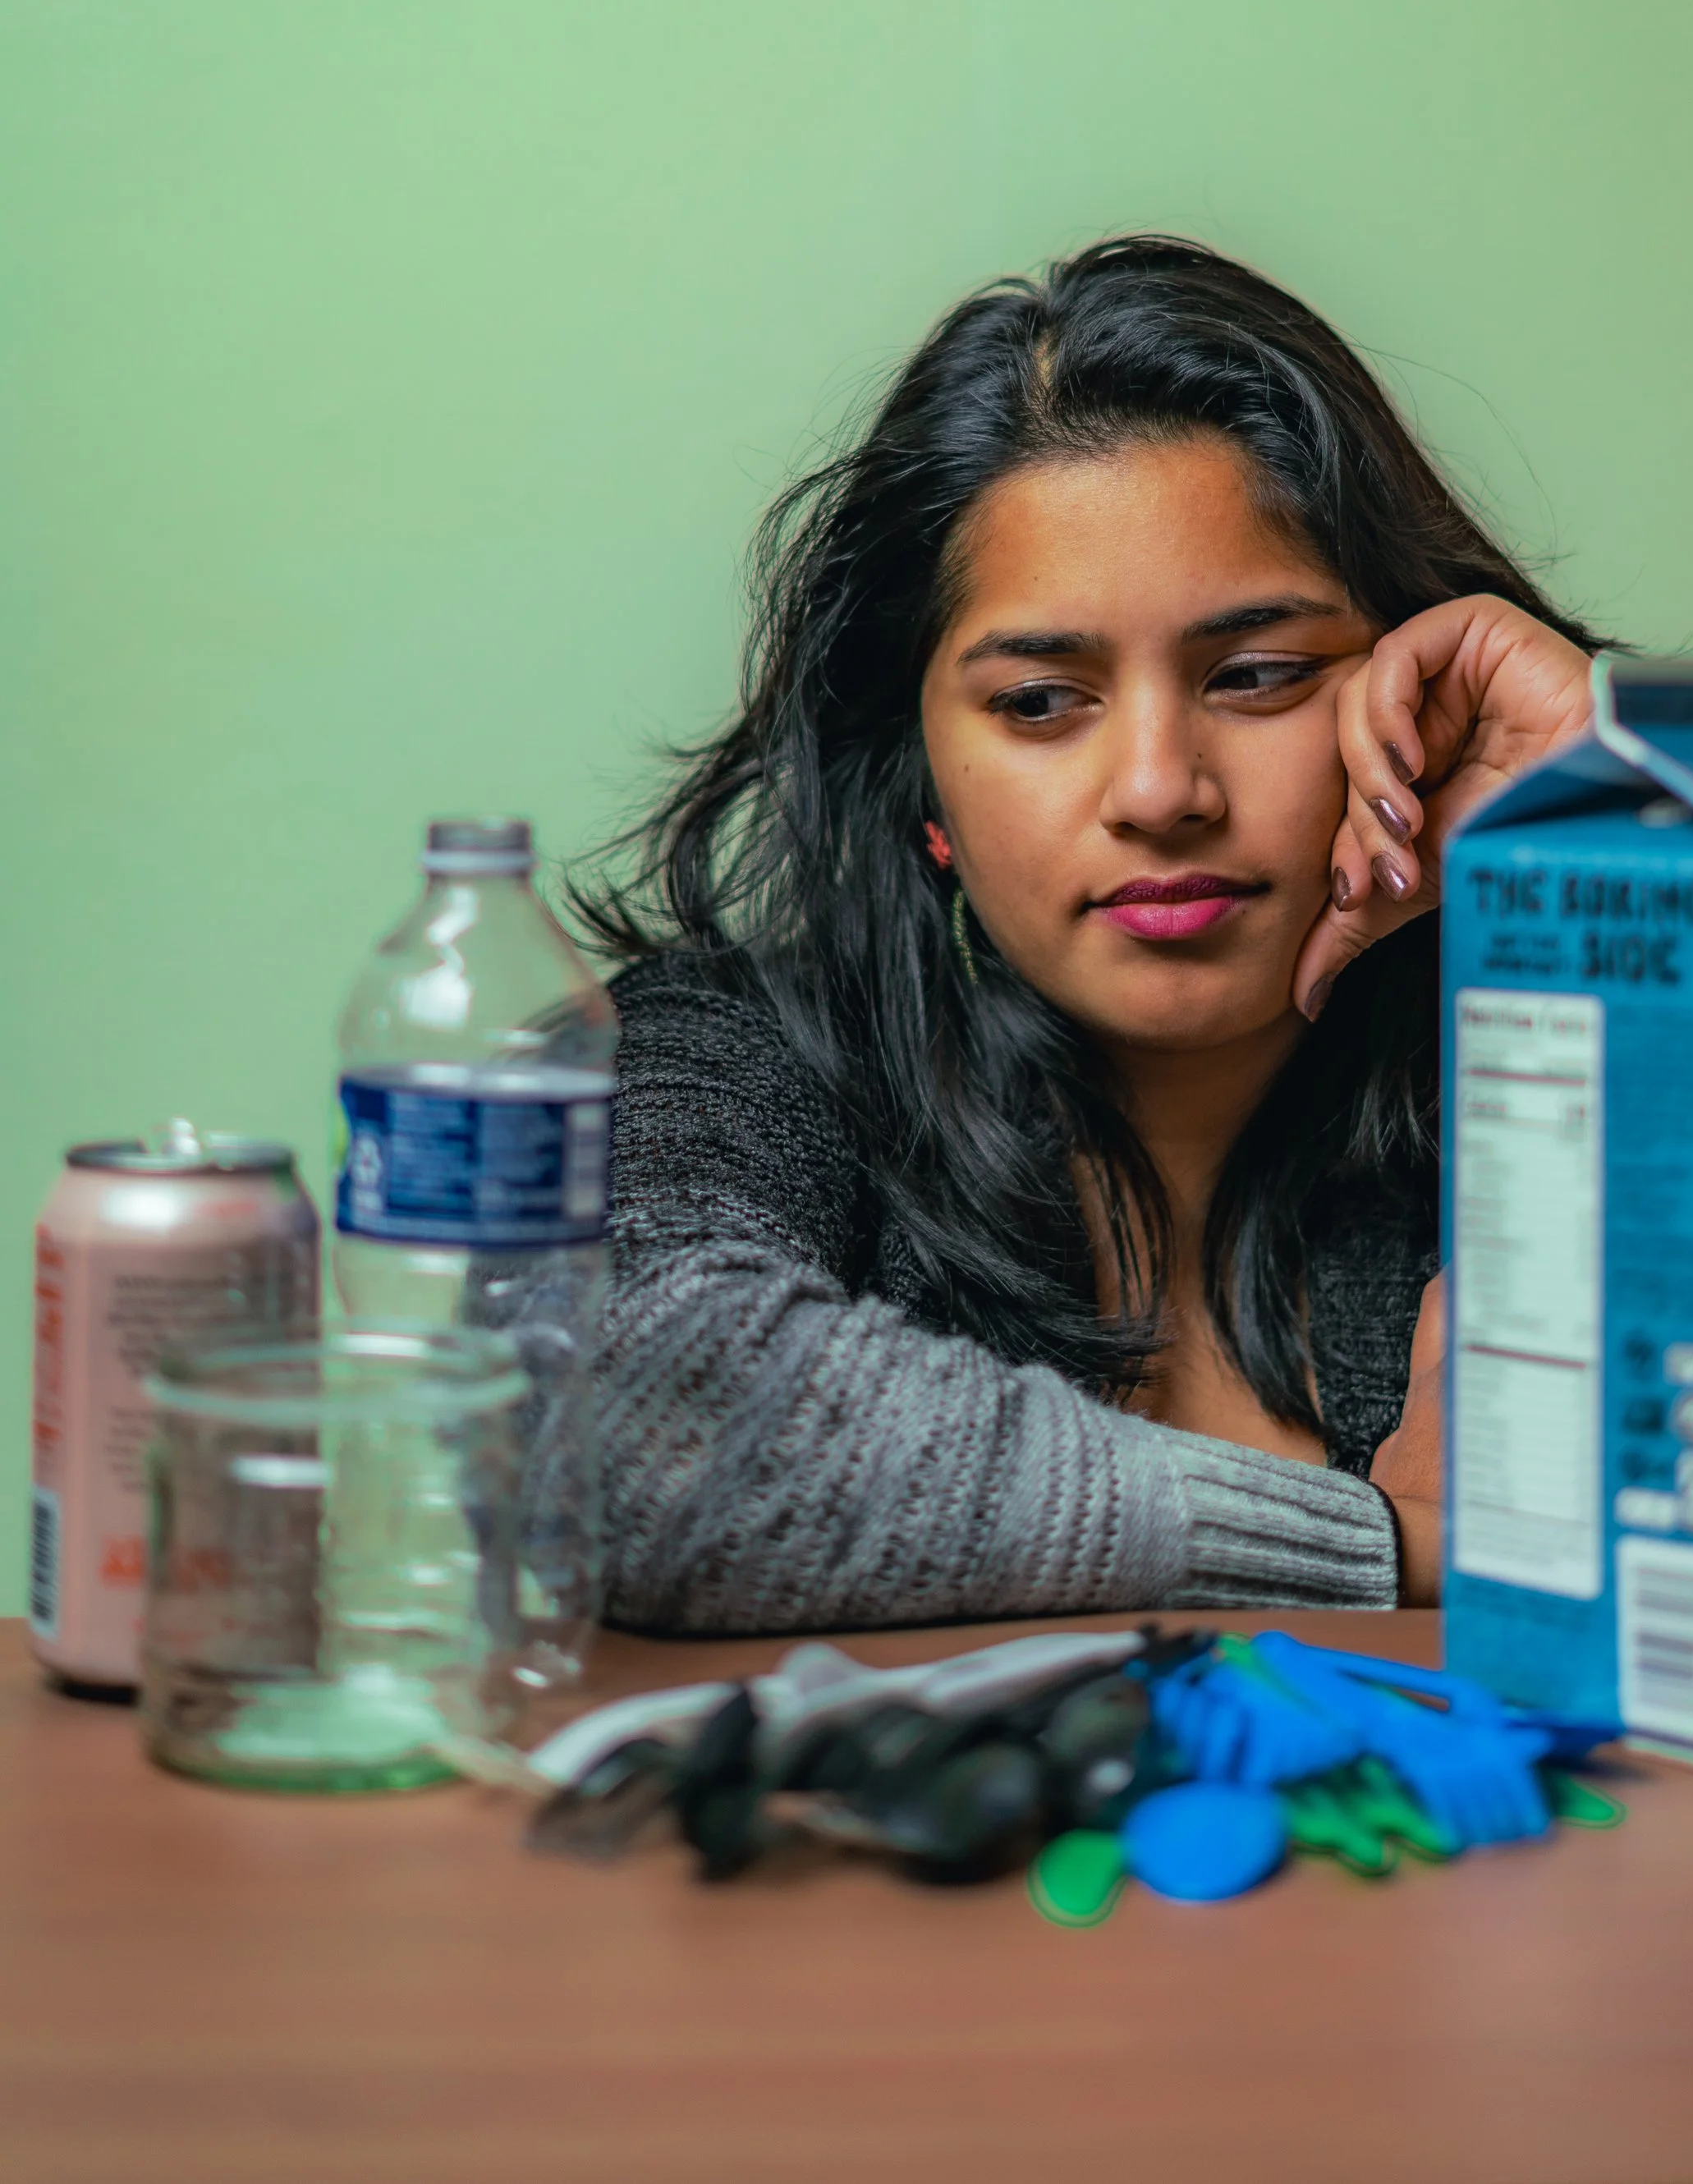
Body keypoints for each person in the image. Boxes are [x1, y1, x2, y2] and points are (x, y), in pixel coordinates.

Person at [576, 236, 1603, 1634]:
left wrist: (1622, 855)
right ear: (920, 782)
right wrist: (1399, 1548)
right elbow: (651, 1423)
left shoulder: (1536, 1102)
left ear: (1414, 701)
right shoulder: (734, 1061)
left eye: (1256, 677)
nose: (1160, 791)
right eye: (1043, 702)